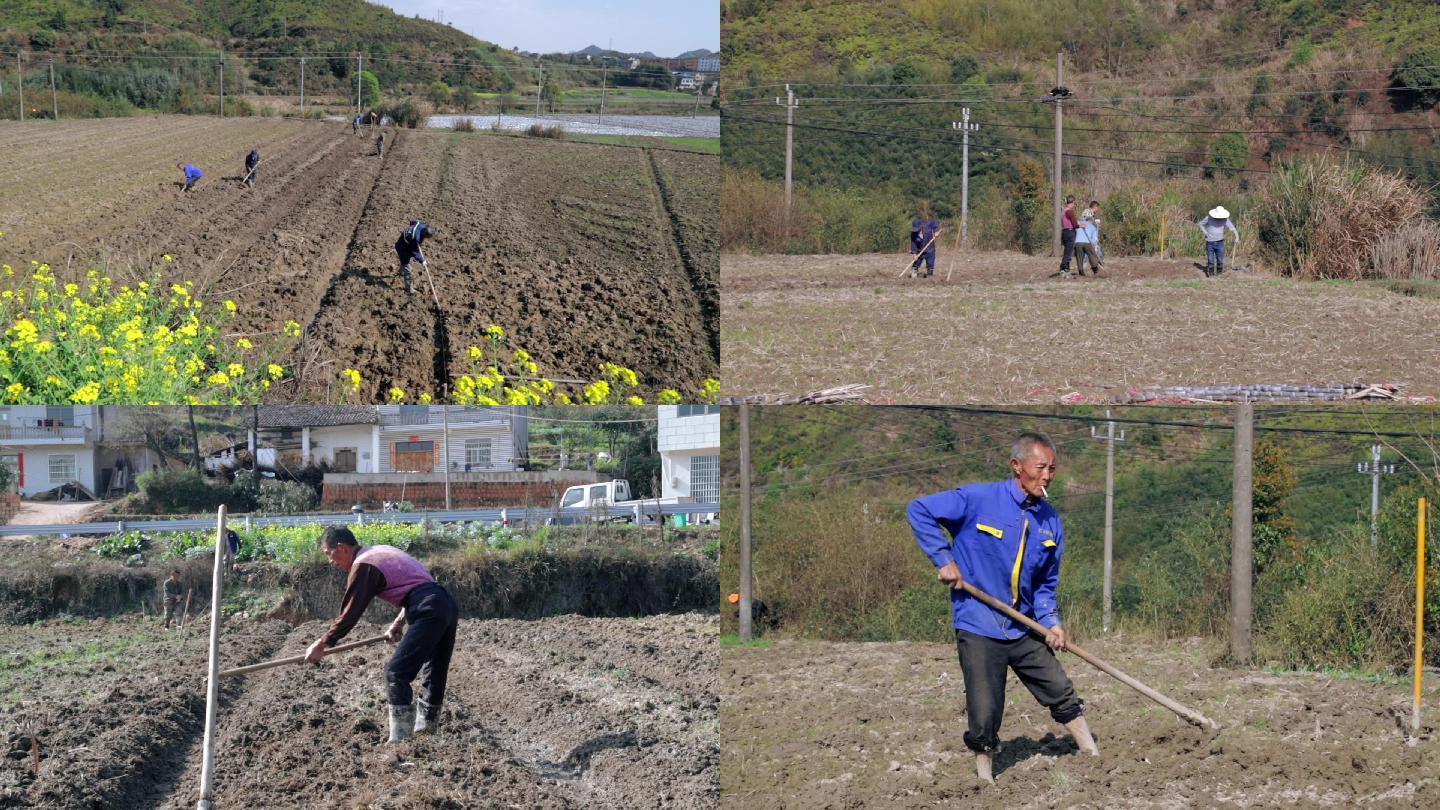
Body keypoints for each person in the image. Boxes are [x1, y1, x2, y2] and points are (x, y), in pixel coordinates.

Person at [907, 432, 1098, 784]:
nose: (1047, 476)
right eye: (1040, 467)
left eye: (1052, 469)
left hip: (1022, 625)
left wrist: (1051, 622)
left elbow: (1045, 584)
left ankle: (1091, 752)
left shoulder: (1051, 520)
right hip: (979, 622)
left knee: (1058, 686)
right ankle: (985, 780)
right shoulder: (979, 498)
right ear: (1017, 466)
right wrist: (943, 558)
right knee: (984, 707)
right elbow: (919, 509)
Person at [305, 526, 459, 742]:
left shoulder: (364, 565)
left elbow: (351, 613)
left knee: (396, 673)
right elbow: (419, 585)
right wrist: (398, 624)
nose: (330, 561)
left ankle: (401, 741)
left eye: (328, 553)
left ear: (341, 548)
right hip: (445, 604)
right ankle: (427, 733)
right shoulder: (379, 551)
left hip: (427, 608)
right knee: (435, 668)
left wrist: (323, 644)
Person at [1197, 205, 1241, 277]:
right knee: (1211, 261)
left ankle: (1219, 274)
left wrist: (1237, 237)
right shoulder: (1208, 218)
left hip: (1220, 242)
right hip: (1210, 242)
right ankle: (1211, 275)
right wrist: (1205, 233)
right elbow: (1200, 224)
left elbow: (1232, 228)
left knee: (1220, 260)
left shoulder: (1225, 219)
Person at [395, 219, 434, 295]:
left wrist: (410, 230)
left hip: (406, 243)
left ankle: (401, 271)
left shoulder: (421, 225)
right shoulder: (415, 238)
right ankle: (409, 289)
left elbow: (413, 221)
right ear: (425, 234)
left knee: (404, 262)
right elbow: (415, 252)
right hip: (402, 248)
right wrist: (422, 260)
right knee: (407, 268)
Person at [1073, 201, 1103, 276]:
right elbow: (1094, 239)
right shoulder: (1092, 226)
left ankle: (1081, 271)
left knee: (1079, 257)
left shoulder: (1078, 224)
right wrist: (1095, 246)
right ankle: (1095, 269)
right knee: (1092, 255)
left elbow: (1075, 231)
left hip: (1077, 243)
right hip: (1087, 243)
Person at [909, 210, 941, 278]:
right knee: (916, 262)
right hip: (919, 250)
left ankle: (929, 275)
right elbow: (913, 243)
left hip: (930, 249)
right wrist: (914, 254)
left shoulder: (928, 224)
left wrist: (936, 232)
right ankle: (914, 273)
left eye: (917, 229)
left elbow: (936, 225)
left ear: (921, 226)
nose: (916, 231)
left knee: (930, 263)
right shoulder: (913, 234)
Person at [1059, 196, 1079, 278]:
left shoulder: (1064, 211)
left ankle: (1065, 269)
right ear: (1071, 203)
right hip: (1070, 232)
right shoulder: (1070, 211)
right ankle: (1064, 269)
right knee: (1069, 252)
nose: (1075, 205)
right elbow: (1075, 224)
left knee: (1066, 252)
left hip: (1064, 232)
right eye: (1074, 203)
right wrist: (1080, 225)